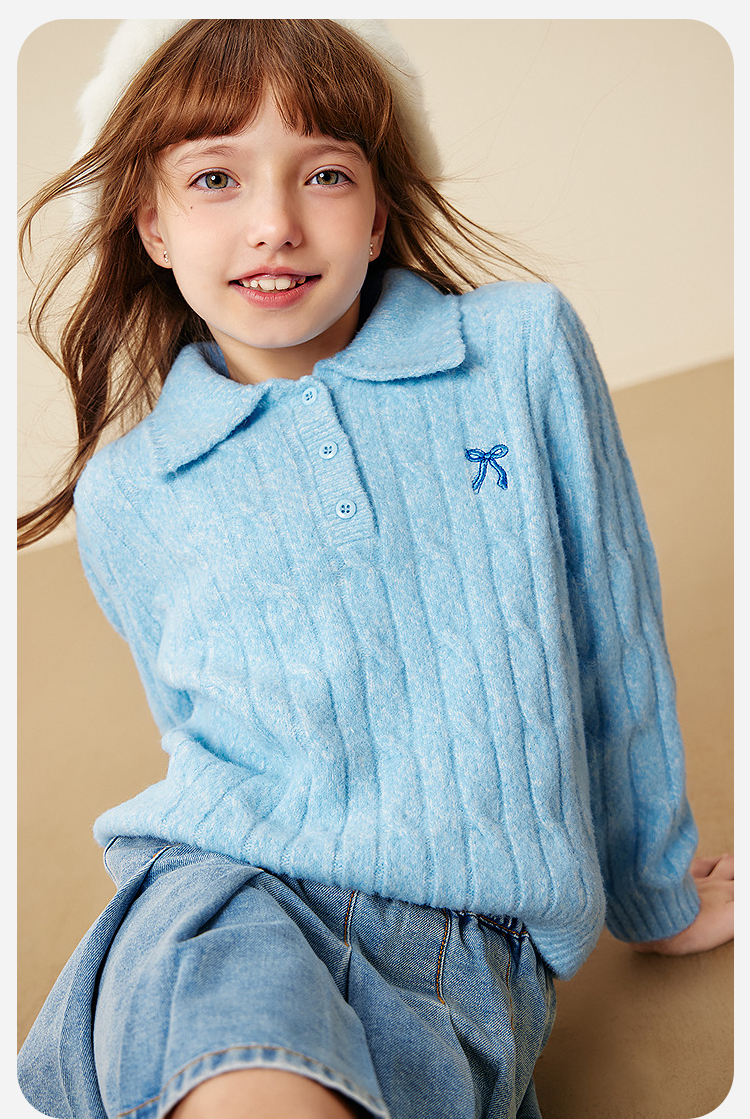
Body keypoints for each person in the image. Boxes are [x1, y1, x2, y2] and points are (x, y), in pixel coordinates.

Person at [17, 18, 733, 1119]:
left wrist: (653, 891)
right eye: (215, 177)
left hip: (463, 945)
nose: (274, 222)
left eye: (325, 174)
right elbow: (192, 726)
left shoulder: (518, 351)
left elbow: (611, 630)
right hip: (216, 899)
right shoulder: (131, 492)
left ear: (379, 213)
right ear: (151, 224)